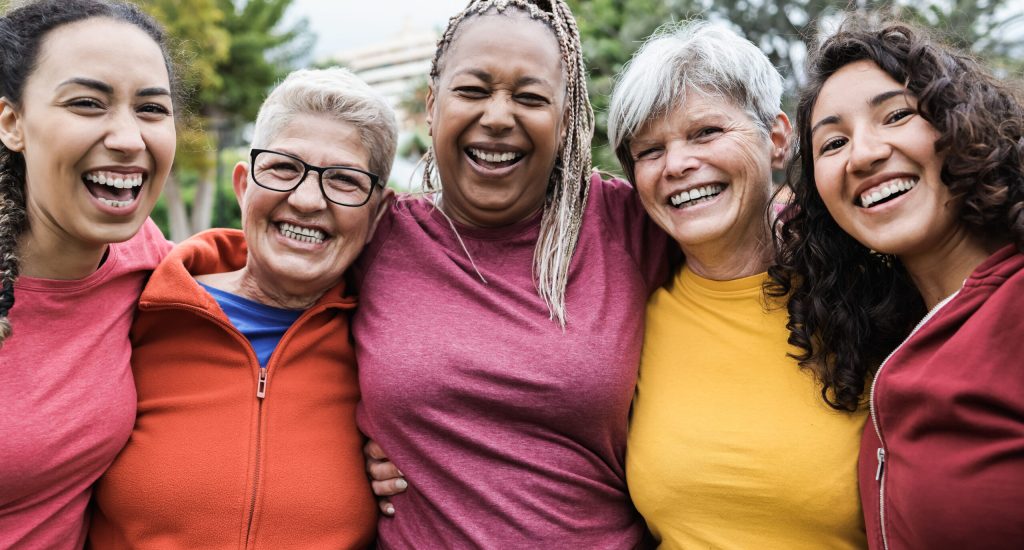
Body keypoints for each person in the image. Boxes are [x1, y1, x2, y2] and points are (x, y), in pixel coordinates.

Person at [355, 0, 668, 546]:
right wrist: (339, 453)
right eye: (473, 91)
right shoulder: (374, 235)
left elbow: (767, 254)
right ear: (432, 106)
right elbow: (266, 302)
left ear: (565, 118)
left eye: (529, 97)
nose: (498, 117)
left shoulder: (629, 224)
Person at [88, 68, 396, 548]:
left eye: (345, 180)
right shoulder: (133, 306)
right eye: (283, 168)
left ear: (377, 214)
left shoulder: (391, 358)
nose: (308, 199)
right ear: (243, 185)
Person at [606, 22, 868, 548]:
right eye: (649, 151)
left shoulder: (872, 293)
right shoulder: (630, 322)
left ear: (775, 139)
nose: (678, 164)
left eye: (705, 132)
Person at [771, 15, 1024, 549]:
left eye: (896, 115)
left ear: (961, 123)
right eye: (833, 143)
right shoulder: (887, 340)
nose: (863, 154)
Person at [0, 1, 175, 547]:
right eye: (86, 103)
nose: (128, 138)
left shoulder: (150, 262)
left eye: (151, 109)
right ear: (13, 124)